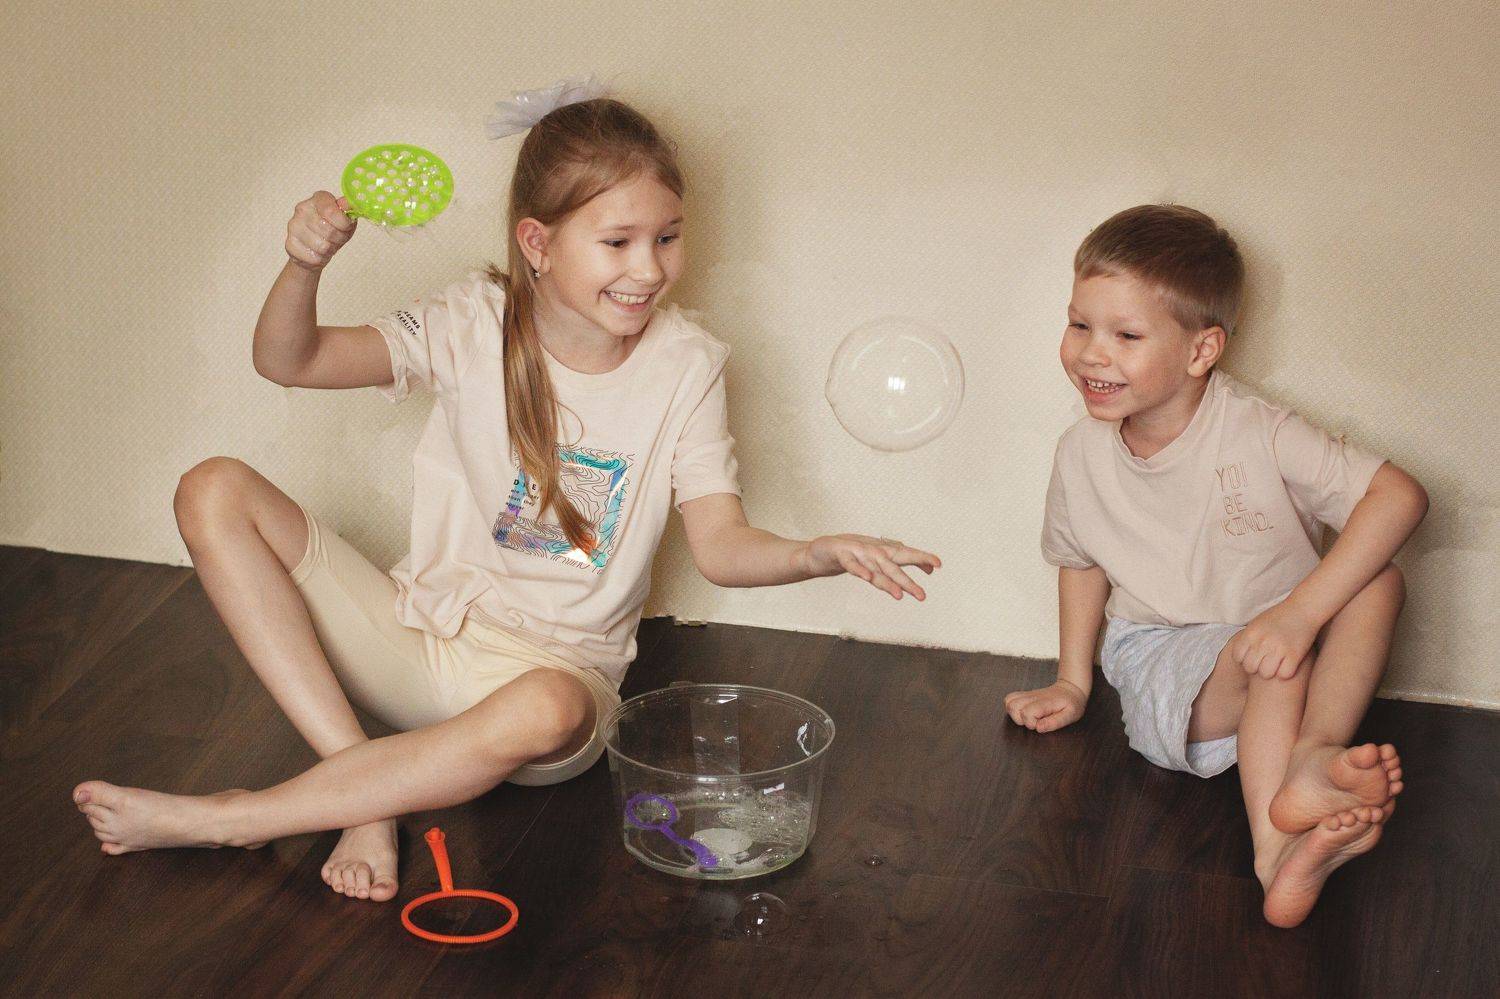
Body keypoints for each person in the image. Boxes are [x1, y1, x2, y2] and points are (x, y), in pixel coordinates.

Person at [72, 88, 940, 902]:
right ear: (537, 242)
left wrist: (816, 551)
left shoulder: (687, 365)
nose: (649, 269)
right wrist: (302, 265)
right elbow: (287, 360)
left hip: (548, 694)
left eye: (668, 237)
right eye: (618, 241)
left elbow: (721, 545)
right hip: (420, 639)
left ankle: (237, 818)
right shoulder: (470, 322)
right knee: (212, 488)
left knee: (548, 702)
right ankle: (361, 794)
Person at [1004, 204, 1427, 928]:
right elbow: (1080, 562)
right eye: (1079, 325)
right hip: (1170, 661)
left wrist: (1299, 615)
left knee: (1380, 580)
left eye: (1126, 335)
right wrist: (1074, 681)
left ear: (1201, 350)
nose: (1091, 354)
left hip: (1280, 645)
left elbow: (1400, 496)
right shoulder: (1080, 454)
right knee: (1267, 656)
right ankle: (1274, 850)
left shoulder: (1258, 428)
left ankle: (1310, 755)